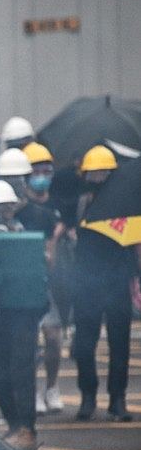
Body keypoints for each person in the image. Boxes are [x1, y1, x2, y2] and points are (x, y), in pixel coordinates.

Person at [0, 180, 49, 450]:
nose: (0, 214)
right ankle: (13, 424)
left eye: (5, 208)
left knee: (22, 369)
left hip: (23, 312)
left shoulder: (26, 236)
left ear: (12, 208)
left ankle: (27, 428)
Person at [72, 146, 139, 422]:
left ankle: (117, 398)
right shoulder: (81, 204)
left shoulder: (127, 205)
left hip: (117, 279)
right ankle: (88, 396)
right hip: (87, 281)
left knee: (119, 341)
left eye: (103, 173)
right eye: (93, 173)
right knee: (85, 343)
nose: (98, 178)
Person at [22, 142, 69, 414]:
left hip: (54, 282)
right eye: (36, 170)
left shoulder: (58, 205)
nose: (42, 175)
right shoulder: (22, 208)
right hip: (29, 281)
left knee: (53, 338)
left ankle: (51, 387)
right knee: (29, 342)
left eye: (46, 170)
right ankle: (33, 391)